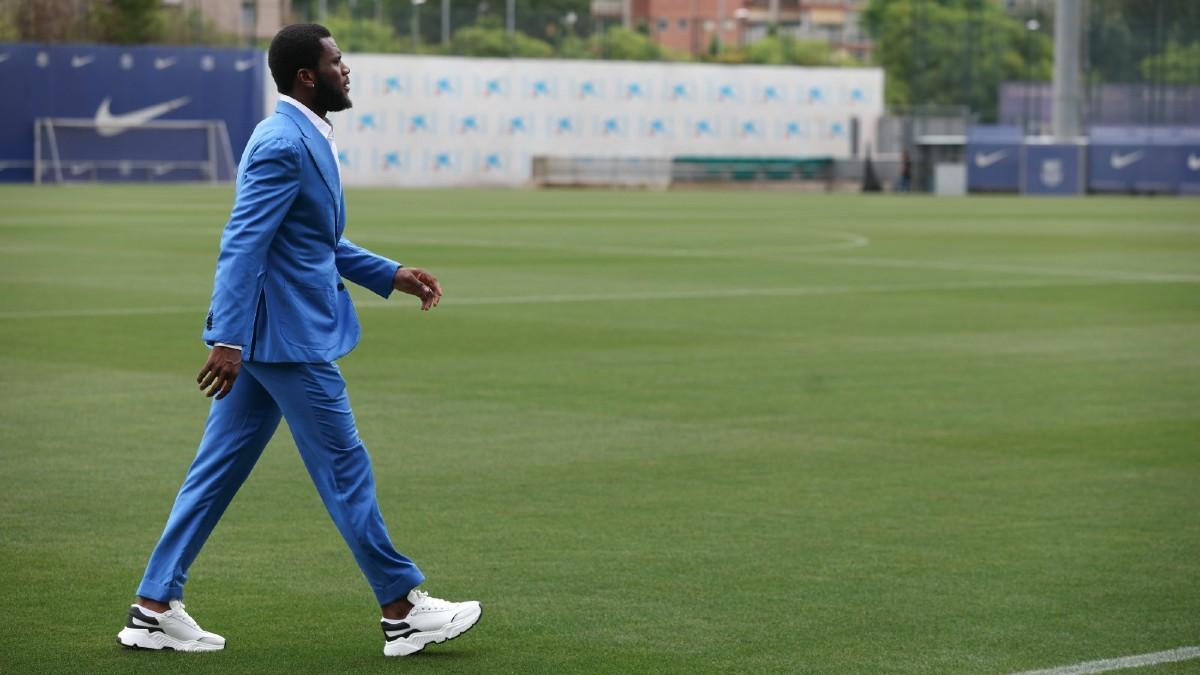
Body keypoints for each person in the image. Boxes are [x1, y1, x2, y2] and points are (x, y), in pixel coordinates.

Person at [115, 23, 481, 658]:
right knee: (345, 467)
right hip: (284, 339)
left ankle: (152, 606)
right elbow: (243, 242)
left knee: (215, 472)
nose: (347, 69)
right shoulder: (283, 142)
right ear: (307, 76)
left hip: (271, 337)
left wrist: (388, 274)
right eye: (337, 61)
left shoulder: (302, 134)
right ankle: (401, 610)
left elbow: (314, 242)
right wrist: (226, 338)